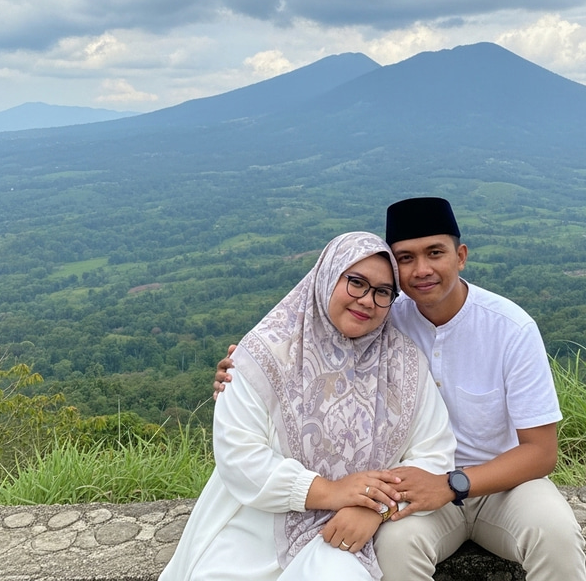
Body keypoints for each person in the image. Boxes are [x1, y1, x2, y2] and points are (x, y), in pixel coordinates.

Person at [216, 199, 586, 581]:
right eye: (406, 258)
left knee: (556, 534)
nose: (421, 270)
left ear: (460, 256)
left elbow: (541, 454)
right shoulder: (381, 316)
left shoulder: (510, 329)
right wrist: (246, 371)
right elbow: (311, 346)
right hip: (408, 493)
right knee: (396, 550)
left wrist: (450, 484)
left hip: (503, 486)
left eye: (435, 253)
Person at [163, 231, 455, 581]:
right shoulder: (264, 356)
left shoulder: (404, 365)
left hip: (343, 533)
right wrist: (329, 492)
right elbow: (240, 457)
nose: (367, 300)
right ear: (327, 278)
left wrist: (375, 507)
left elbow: (433, 454)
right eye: (356, 283)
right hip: (254, 527)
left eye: (382, 292)